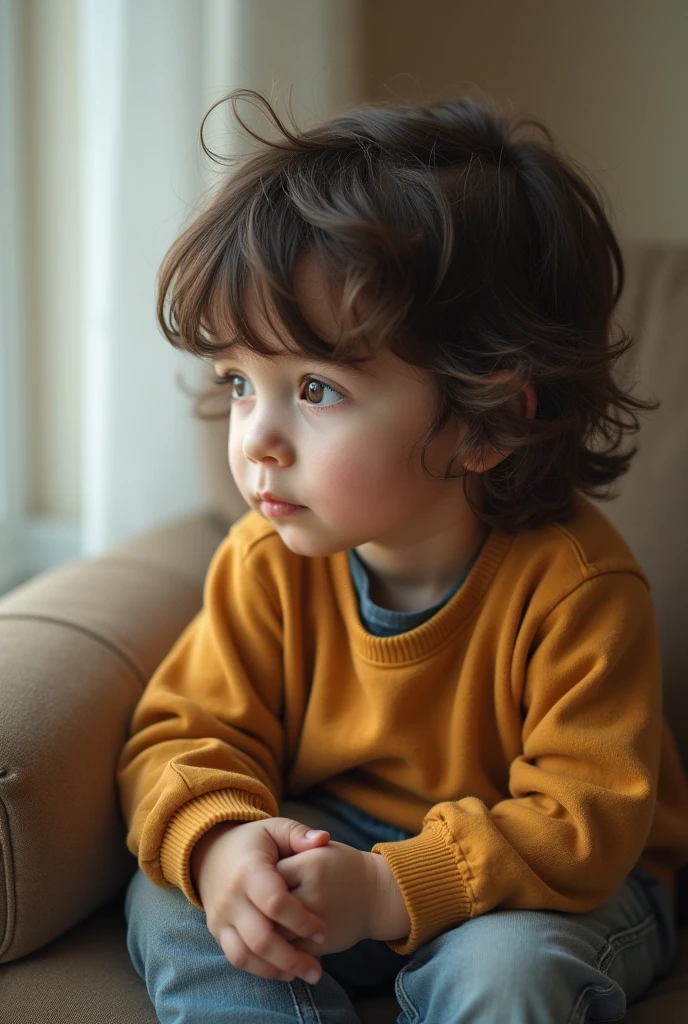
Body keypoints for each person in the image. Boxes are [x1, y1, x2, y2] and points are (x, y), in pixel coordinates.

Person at [118, 88, 688, 1023]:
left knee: (508, 973)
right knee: (177, 904)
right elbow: (183, 737)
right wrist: (225, 845)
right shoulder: (266, 563)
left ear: (487, 422)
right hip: (329, 840)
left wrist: (389, 890)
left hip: (544, 887)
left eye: (313, 387)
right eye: (238, 382)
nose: (256, 437)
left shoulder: (579, 589)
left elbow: (585, 822)